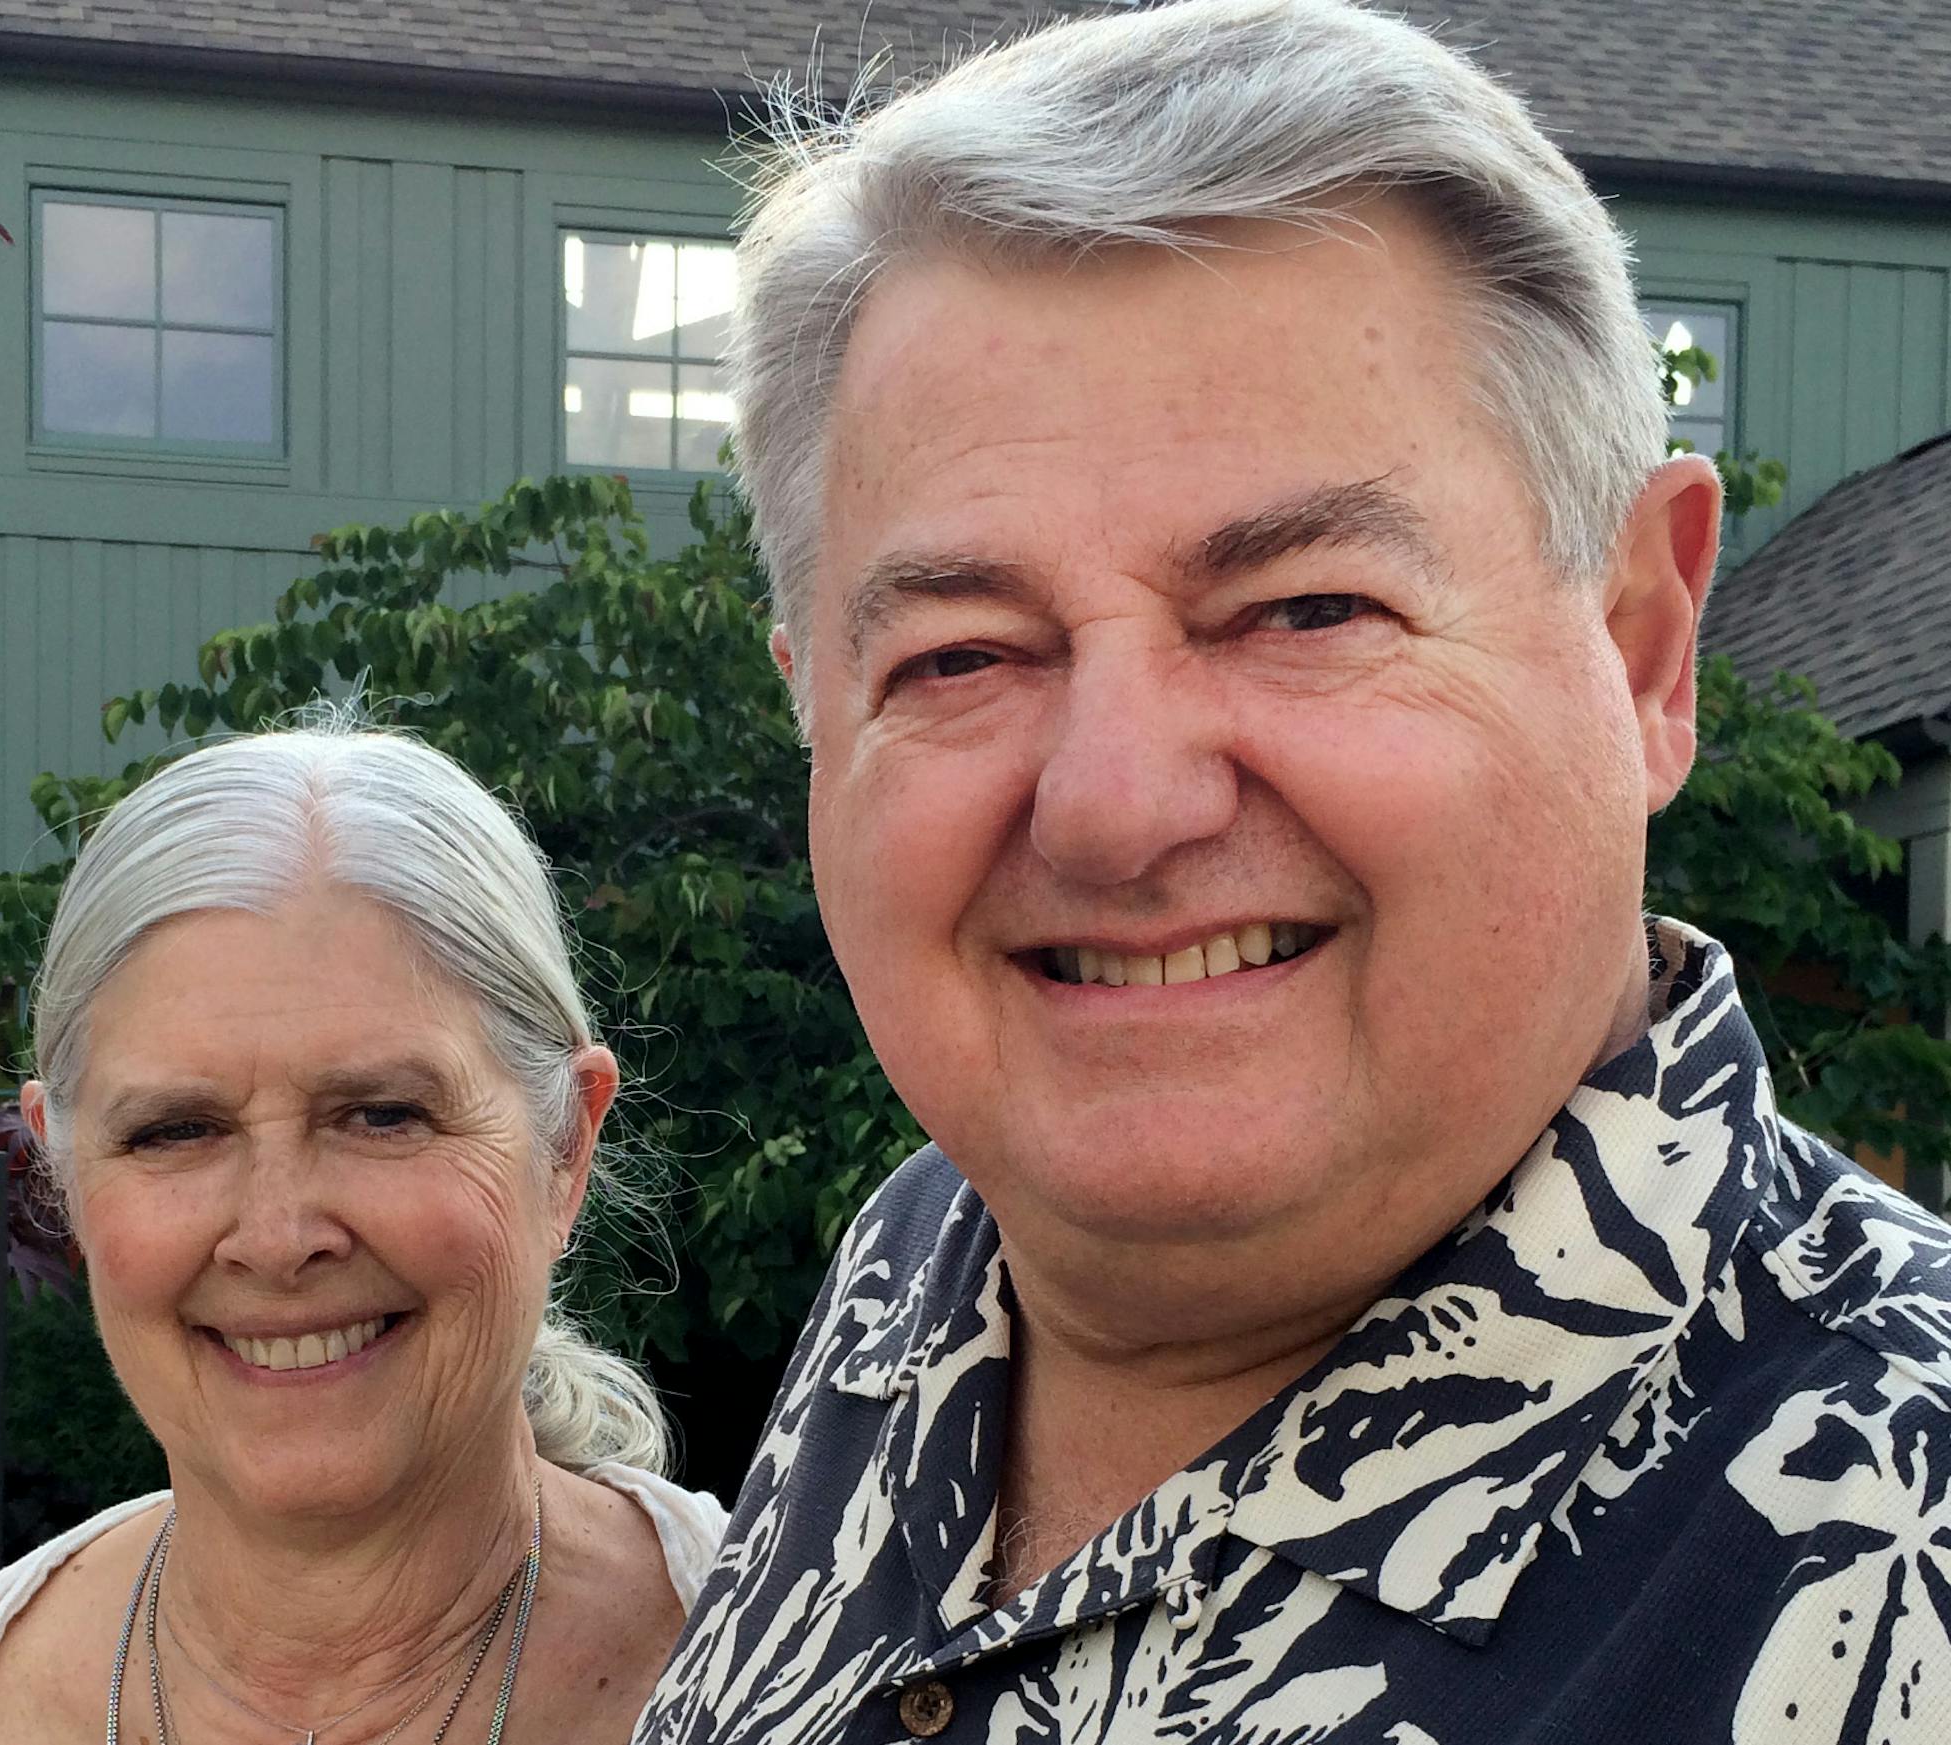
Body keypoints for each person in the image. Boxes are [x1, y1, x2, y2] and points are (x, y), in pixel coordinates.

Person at [635, 1, 1951, 1741]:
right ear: (815, 708)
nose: (1115, 805)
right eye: (960, 656)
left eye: (1308, 609)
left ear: (1643, 647)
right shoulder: (932, 1252)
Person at [0, 723, 726, 1745]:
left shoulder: (807, 1675)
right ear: (62, 1174)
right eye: (176, 1130)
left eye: (382, 1114)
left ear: (565, 1148)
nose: (279, 1234)